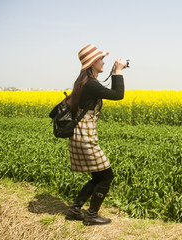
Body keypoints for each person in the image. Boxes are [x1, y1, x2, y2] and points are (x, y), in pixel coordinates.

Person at [65, 44, 126, 225]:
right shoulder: (90, 84)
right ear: (92, 63)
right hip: (85, 136)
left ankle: (75, 210)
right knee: (107, 176)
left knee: (98, 176)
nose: (103, 61)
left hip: (79, 134)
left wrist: (115, 71)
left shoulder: (84, 82)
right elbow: (118, 94)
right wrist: (118, 72)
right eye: (100, 59)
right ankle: (91, 215)